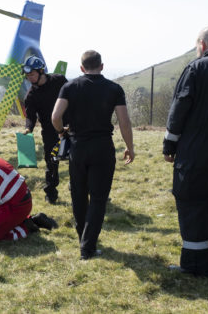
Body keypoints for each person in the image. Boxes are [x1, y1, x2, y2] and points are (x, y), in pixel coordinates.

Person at [51, 50, 134, 260]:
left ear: (81, 68)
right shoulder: (114, 88)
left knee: (78, 195)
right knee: (98, 198)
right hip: (103, 147)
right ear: (102, 66)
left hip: (78, 146)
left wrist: (62, 132)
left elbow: (55, 116)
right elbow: (124, 121)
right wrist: (129, 146)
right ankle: (87, 247)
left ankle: (84, 240)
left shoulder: (70, 86)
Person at [163, 26, 208, 277]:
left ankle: (196, 265)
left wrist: (169, 143)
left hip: (196, 153)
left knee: (192, 203)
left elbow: (180, 107)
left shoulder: (197, 68)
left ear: (202, 45)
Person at [22, 55, 68, 204]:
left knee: (78, 160)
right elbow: (30, 116)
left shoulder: (59, 80)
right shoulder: (31, 95)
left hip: (69, 127)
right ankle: (51, 194)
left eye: (32, 74)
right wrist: (28, 128)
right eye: (28, 75)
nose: (30, 78)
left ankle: (84, 190)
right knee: (52, 162)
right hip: (50, 132)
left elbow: (73, 95)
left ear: (41, 71)